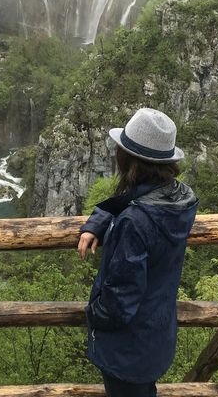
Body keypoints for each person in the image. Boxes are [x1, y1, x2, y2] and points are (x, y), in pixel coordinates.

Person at [78, 108, 198, 397]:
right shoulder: (180, 199)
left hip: (126, 349)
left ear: (129, 159)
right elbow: (130, 202)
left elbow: (120, 301)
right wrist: (100, 220)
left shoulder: (135, 222)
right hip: (155, 336)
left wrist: (92, 314)